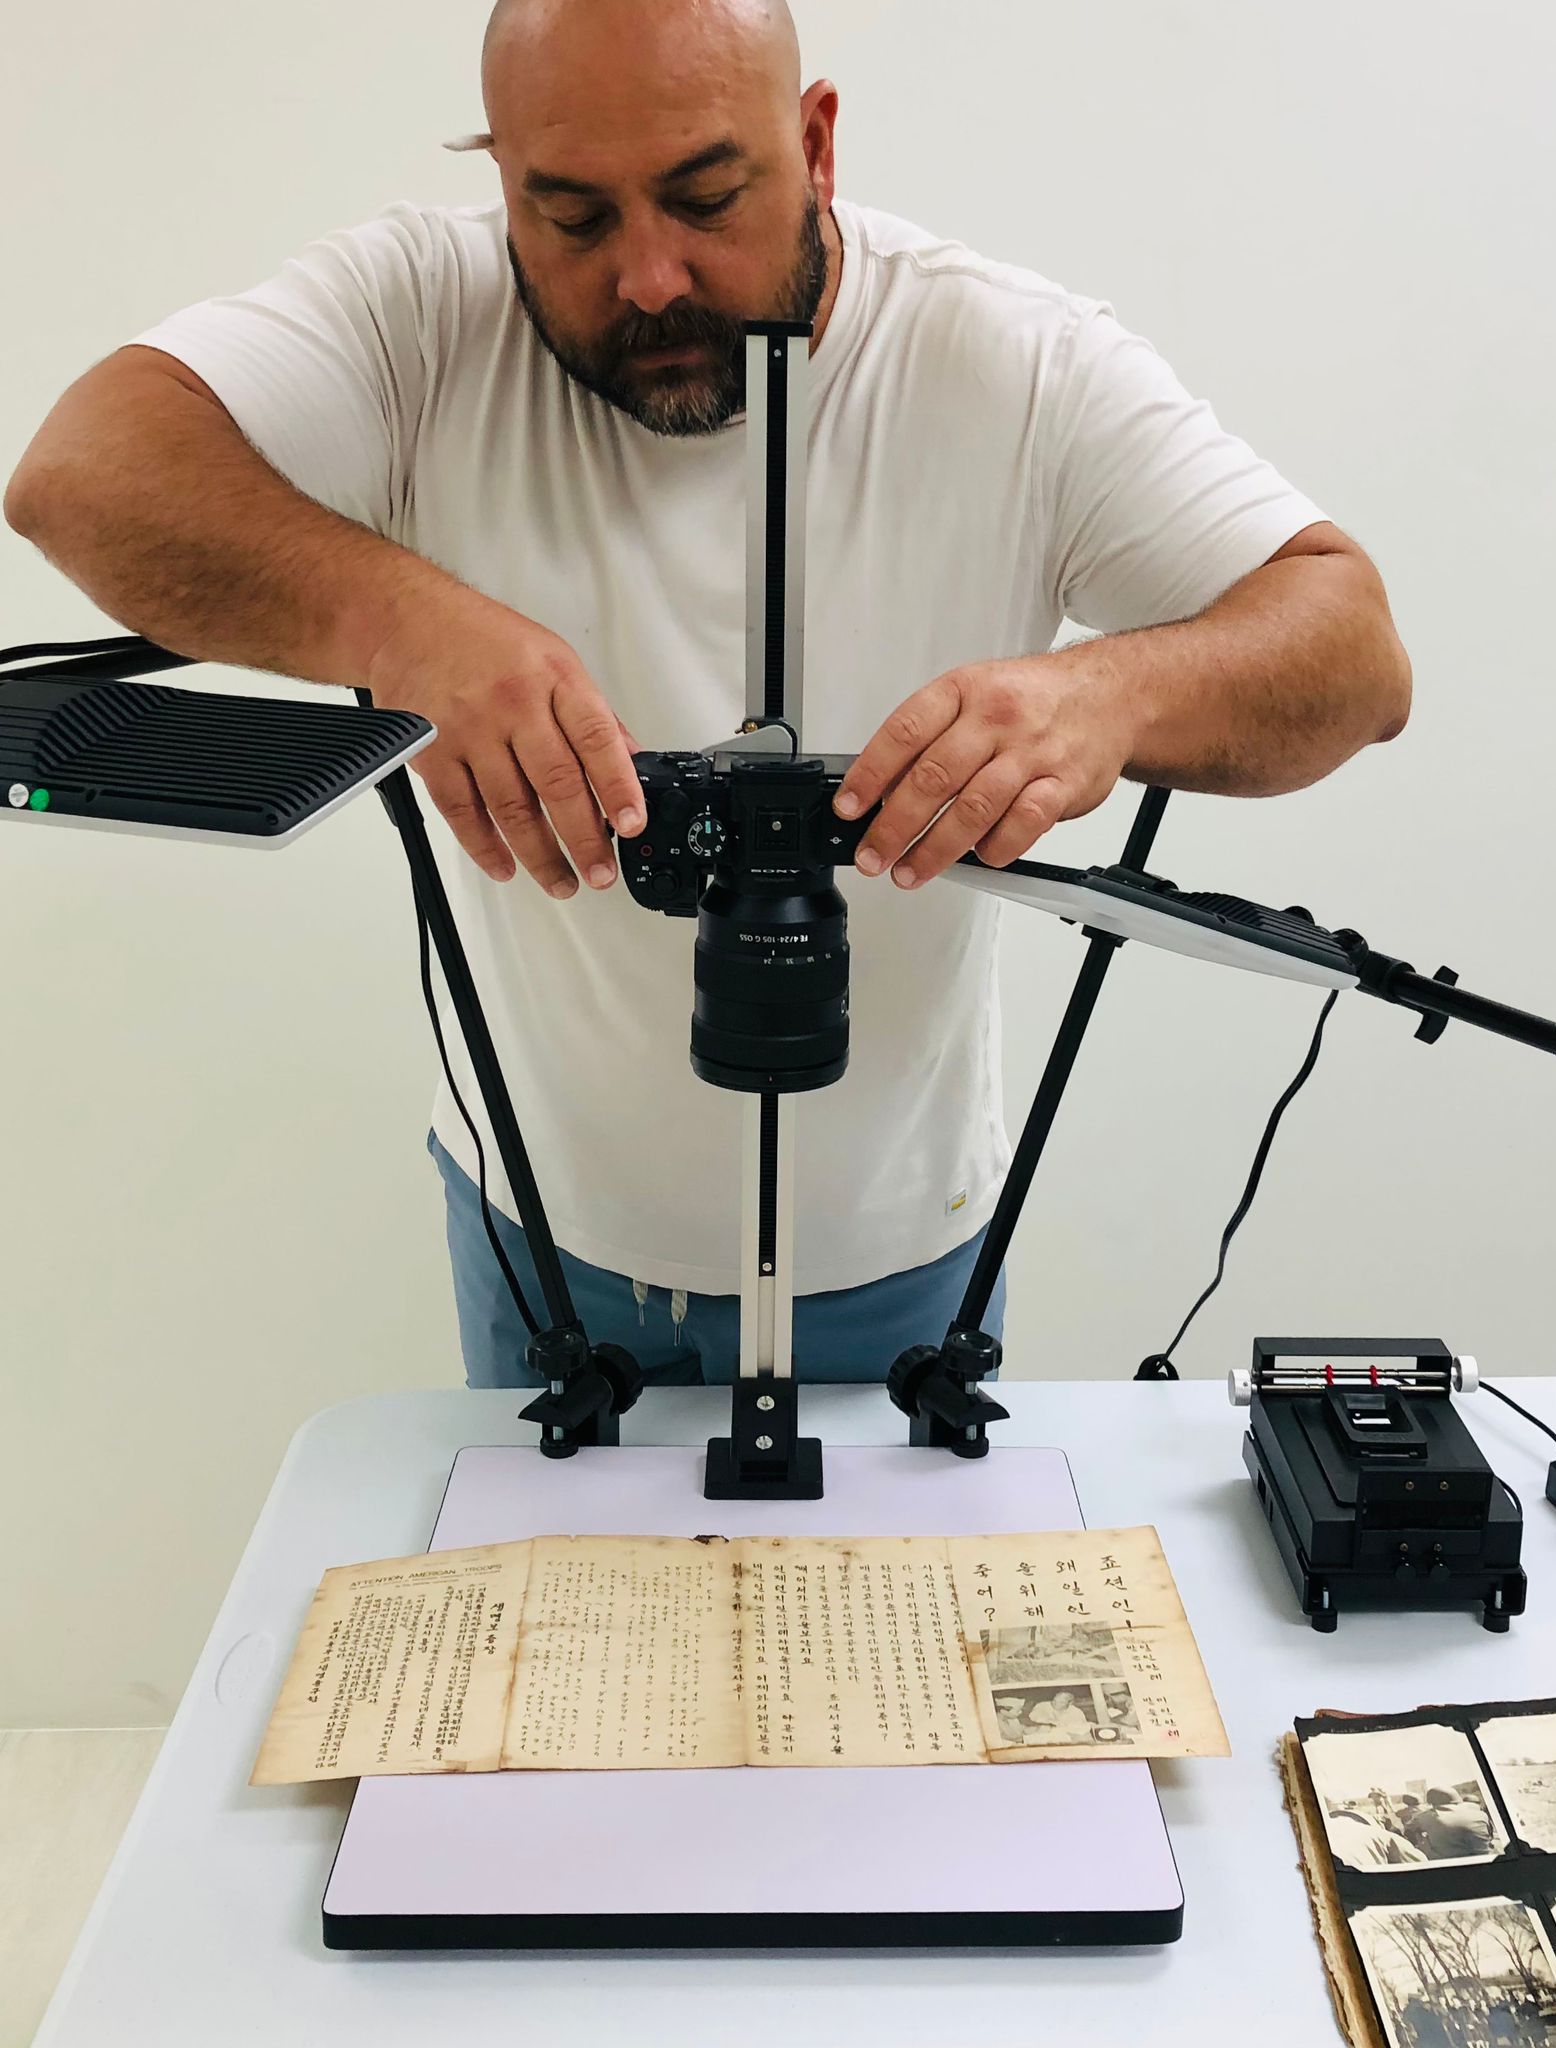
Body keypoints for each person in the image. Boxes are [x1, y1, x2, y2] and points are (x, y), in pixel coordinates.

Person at [4, 0, 1410, 1388]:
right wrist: (404, 622)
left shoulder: (1011, 361)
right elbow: (83, 475)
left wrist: (1106, 700)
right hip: (529, 1223)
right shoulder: (417, 314)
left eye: (704, 196)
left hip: (893, 1254)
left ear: (814, 142)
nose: (651, 278)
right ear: (499, 179)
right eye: (572, 218)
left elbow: (1353, 654)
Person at [1406, 1785, 1496, 1861]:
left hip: (1448, 1861)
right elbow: (1490, 1835)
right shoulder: (1479, 1812)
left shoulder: (1426, 1816)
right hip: (1486, 1857)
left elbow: (1408, 1830)